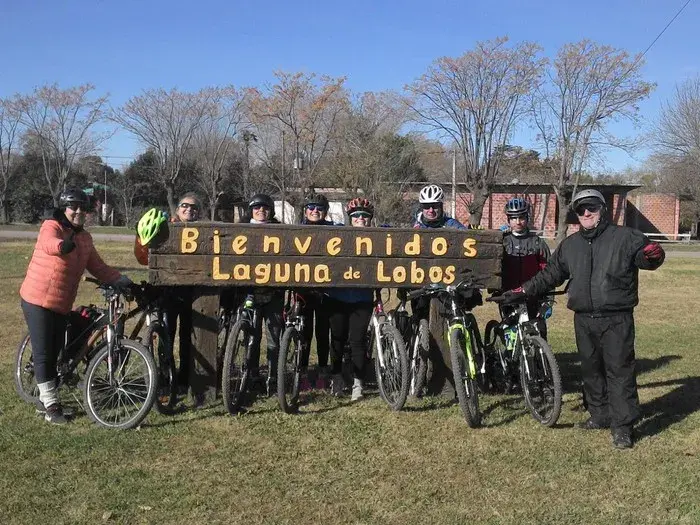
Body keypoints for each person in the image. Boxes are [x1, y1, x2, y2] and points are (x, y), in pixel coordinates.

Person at [501, 189, 665, 449]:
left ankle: (622, 426)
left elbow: (646, 256)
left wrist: (653, 256)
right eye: (580, 210)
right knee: (591, 370)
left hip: (616, 318)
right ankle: (599, 415)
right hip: (584, 318)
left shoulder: (625, 237)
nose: (586, 213)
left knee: (619, 371)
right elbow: (551, 275)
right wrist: (522, 291)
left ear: (603, 209)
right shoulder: (571, 245)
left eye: (591, 208)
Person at [19, 188, 132, 424]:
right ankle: (50, 406)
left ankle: (45, 395)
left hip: (61, 303)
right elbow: (49, 243)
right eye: (74, 207)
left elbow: (98, 267)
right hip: (37, 298)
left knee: (59, 349)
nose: (79, 211)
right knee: (44, 353)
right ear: (64, 209)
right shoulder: (52, 226)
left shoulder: (85, 239)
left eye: (83, 208)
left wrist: (121, 280)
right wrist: (62, 246)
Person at [326, 198, 375, 401]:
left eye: (365, 216)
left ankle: (358, 384)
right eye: (356, 216)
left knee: (357, 341)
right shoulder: (339, 233)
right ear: (350, 219)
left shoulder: (379, 237)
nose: (360, 219)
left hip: (362, 298)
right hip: (338, 296)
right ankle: (336, 376)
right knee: (337, 340)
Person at [240, 193, 284, 395]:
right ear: (251, 210)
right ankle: (252, 376)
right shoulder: (240, 229)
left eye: (265, 208)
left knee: (274, 338)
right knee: (252, 337)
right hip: (249, 292)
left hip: (273, 293)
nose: (261, 211)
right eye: (256, 207)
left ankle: (273, 377)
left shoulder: (280, 229)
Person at [499, 197, 551, 337]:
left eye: (521, 217)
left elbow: (548, 271)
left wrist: (548, 300)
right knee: (511, 334)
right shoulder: (502, 242)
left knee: (538, 331)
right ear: (508, 219)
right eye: (513, 218)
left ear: (527, 218)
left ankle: (542, 358)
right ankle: (509, 357)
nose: (518, 222)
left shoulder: (537, 243)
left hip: (533, 294)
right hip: (510, 294)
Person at [166, 192, 202, 393]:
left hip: (193, 292)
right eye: (185, 206)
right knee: (167, 335)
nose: (189, 210)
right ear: (178, 209)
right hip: (169, 291)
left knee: (189, 336)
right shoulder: (168, 227)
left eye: (194, 207)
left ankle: (185, 377)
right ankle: (166, 376)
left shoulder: (203, 231)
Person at [298, 192, 335, 389]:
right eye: (311, 208)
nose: (315, 211)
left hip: (325, 291)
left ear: (325, 212)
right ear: (305, 211)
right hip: (303, 291)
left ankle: (322, 370)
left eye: (319, 208)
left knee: (322, 332)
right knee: (304, 333)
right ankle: (302, 372)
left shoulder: (334, 231)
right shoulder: (297, 230)